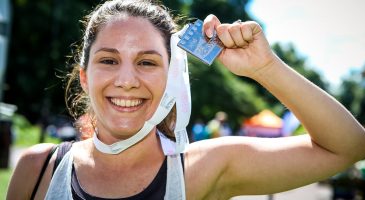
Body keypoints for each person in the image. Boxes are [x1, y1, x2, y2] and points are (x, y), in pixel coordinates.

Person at [6, 0, 365, 199]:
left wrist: (266, 68)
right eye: (109, 60)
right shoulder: (38, 170)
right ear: (85, 77)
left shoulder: (201, 169)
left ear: (172, 79)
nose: (127, 80)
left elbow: (348, 146)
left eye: (147, 62)